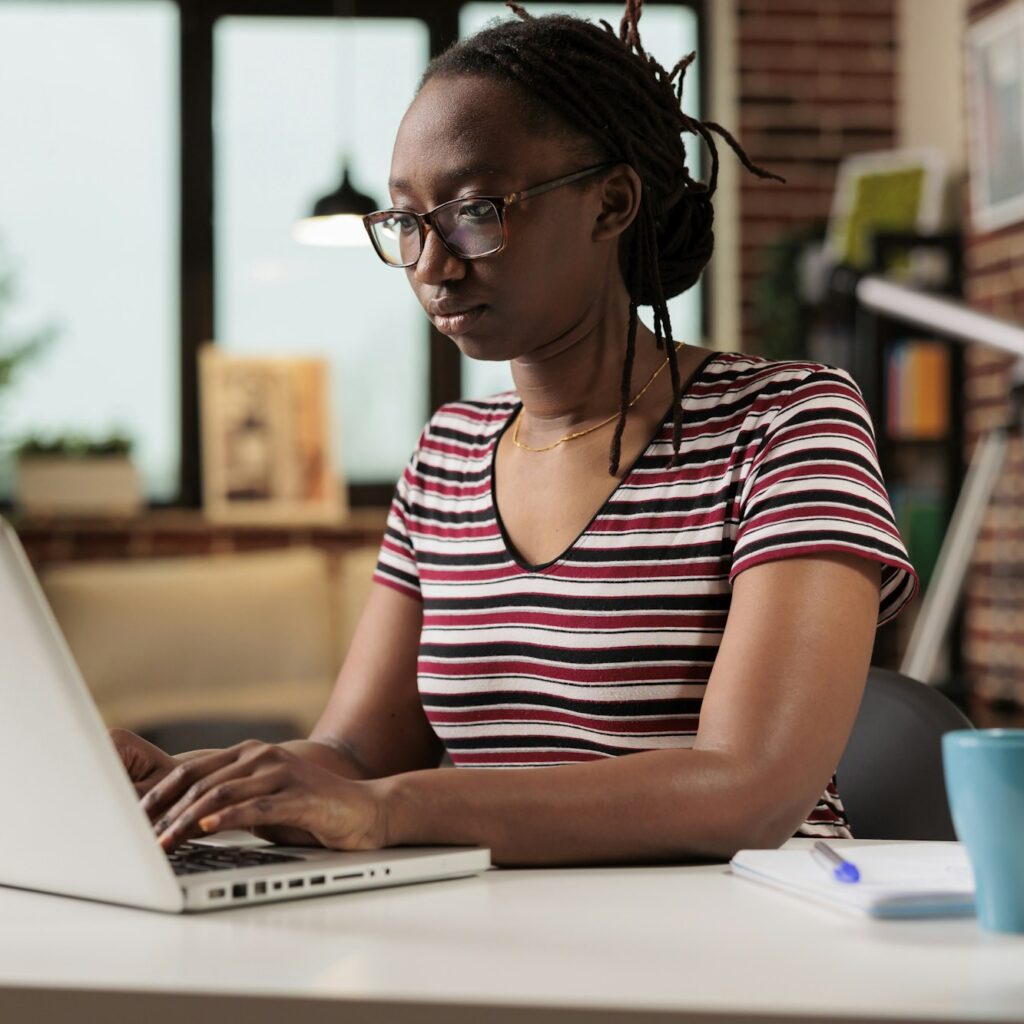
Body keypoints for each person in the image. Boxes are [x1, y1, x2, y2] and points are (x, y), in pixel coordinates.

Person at [113, 1, 918, 866]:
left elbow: (744, 791)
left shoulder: (785, 425)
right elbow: (351, 758)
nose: (431, 262)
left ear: (611, 204)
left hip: (759, 946)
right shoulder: (448, 454)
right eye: (406, 222)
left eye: (474, 210)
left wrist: (390, 809)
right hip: (510, 934)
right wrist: (190, 784)